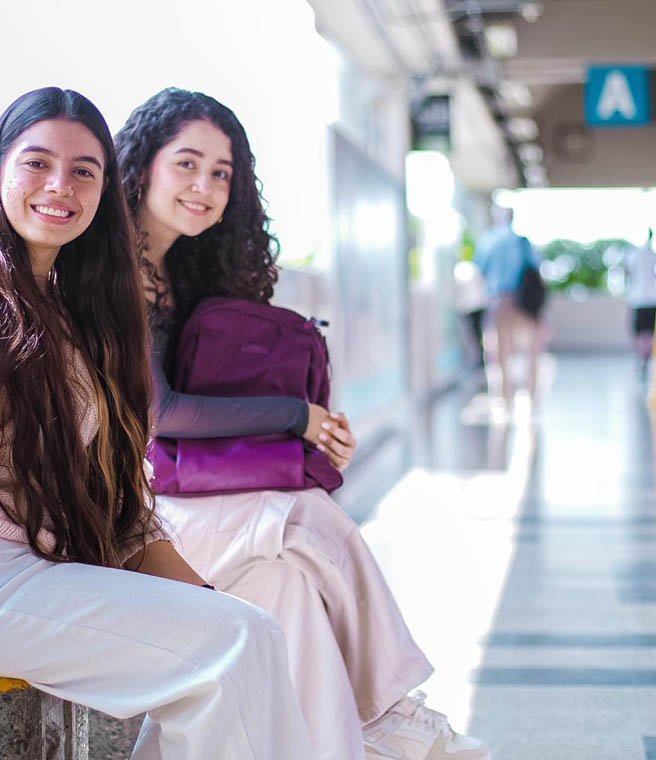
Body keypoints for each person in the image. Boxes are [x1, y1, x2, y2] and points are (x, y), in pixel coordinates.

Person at [0, 87, 314, 760]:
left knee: (249, 633)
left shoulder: (87, 312)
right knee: (235, 646)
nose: (59, 186)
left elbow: (123, 509)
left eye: (84, 170)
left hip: (35, 568)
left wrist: (208, 600)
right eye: (36, 163)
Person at [116, 87, 491, 760]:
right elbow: (159, 413)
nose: (204, 186)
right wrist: (300, 419)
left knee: (288, 586)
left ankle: (363, 736)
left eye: (222, 173)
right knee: (307, 519)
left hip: (170, 507)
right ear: (142, 165)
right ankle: (391, 711)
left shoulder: (178, 271)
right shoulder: (118, 271)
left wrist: (311, 433)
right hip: (123, 518)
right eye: (187, 164)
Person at [474, 205, 544, 406]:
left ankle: (505, 395)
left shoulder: (488, 241)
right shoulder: (522, 243)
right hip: (523, 302)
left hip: (498, 301)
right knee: (532, 349)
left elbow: (480, 271)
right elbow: (536, 269)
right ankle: (531, 393)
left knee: (500, 349)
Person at [623, 228, 656, 378]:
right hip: (650, 299)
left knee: (641, 333)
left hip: (639, 300)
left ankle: (643, 360)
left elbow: (626, 274)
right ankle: (645, 359)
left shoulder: (633, 255)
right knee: (649, 332)